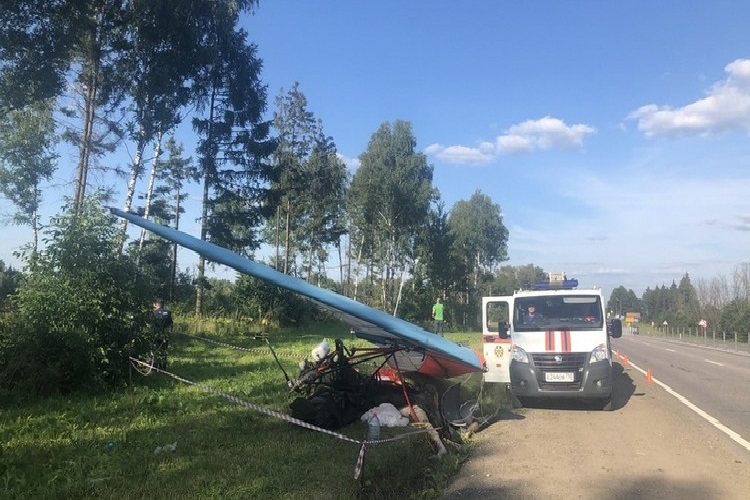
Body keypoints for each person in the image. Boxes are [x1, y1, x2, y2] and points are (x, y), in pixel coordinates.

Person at [152, 298, 173, 369]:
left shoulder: (153, 313)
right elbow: (170, 323)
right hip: (164, 335)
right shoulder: (168, 312)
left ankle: (155, 366)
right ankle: (163, 366)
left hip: (155, 334)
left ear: (155, 304)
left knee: (155, 350)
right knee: (163, 350)